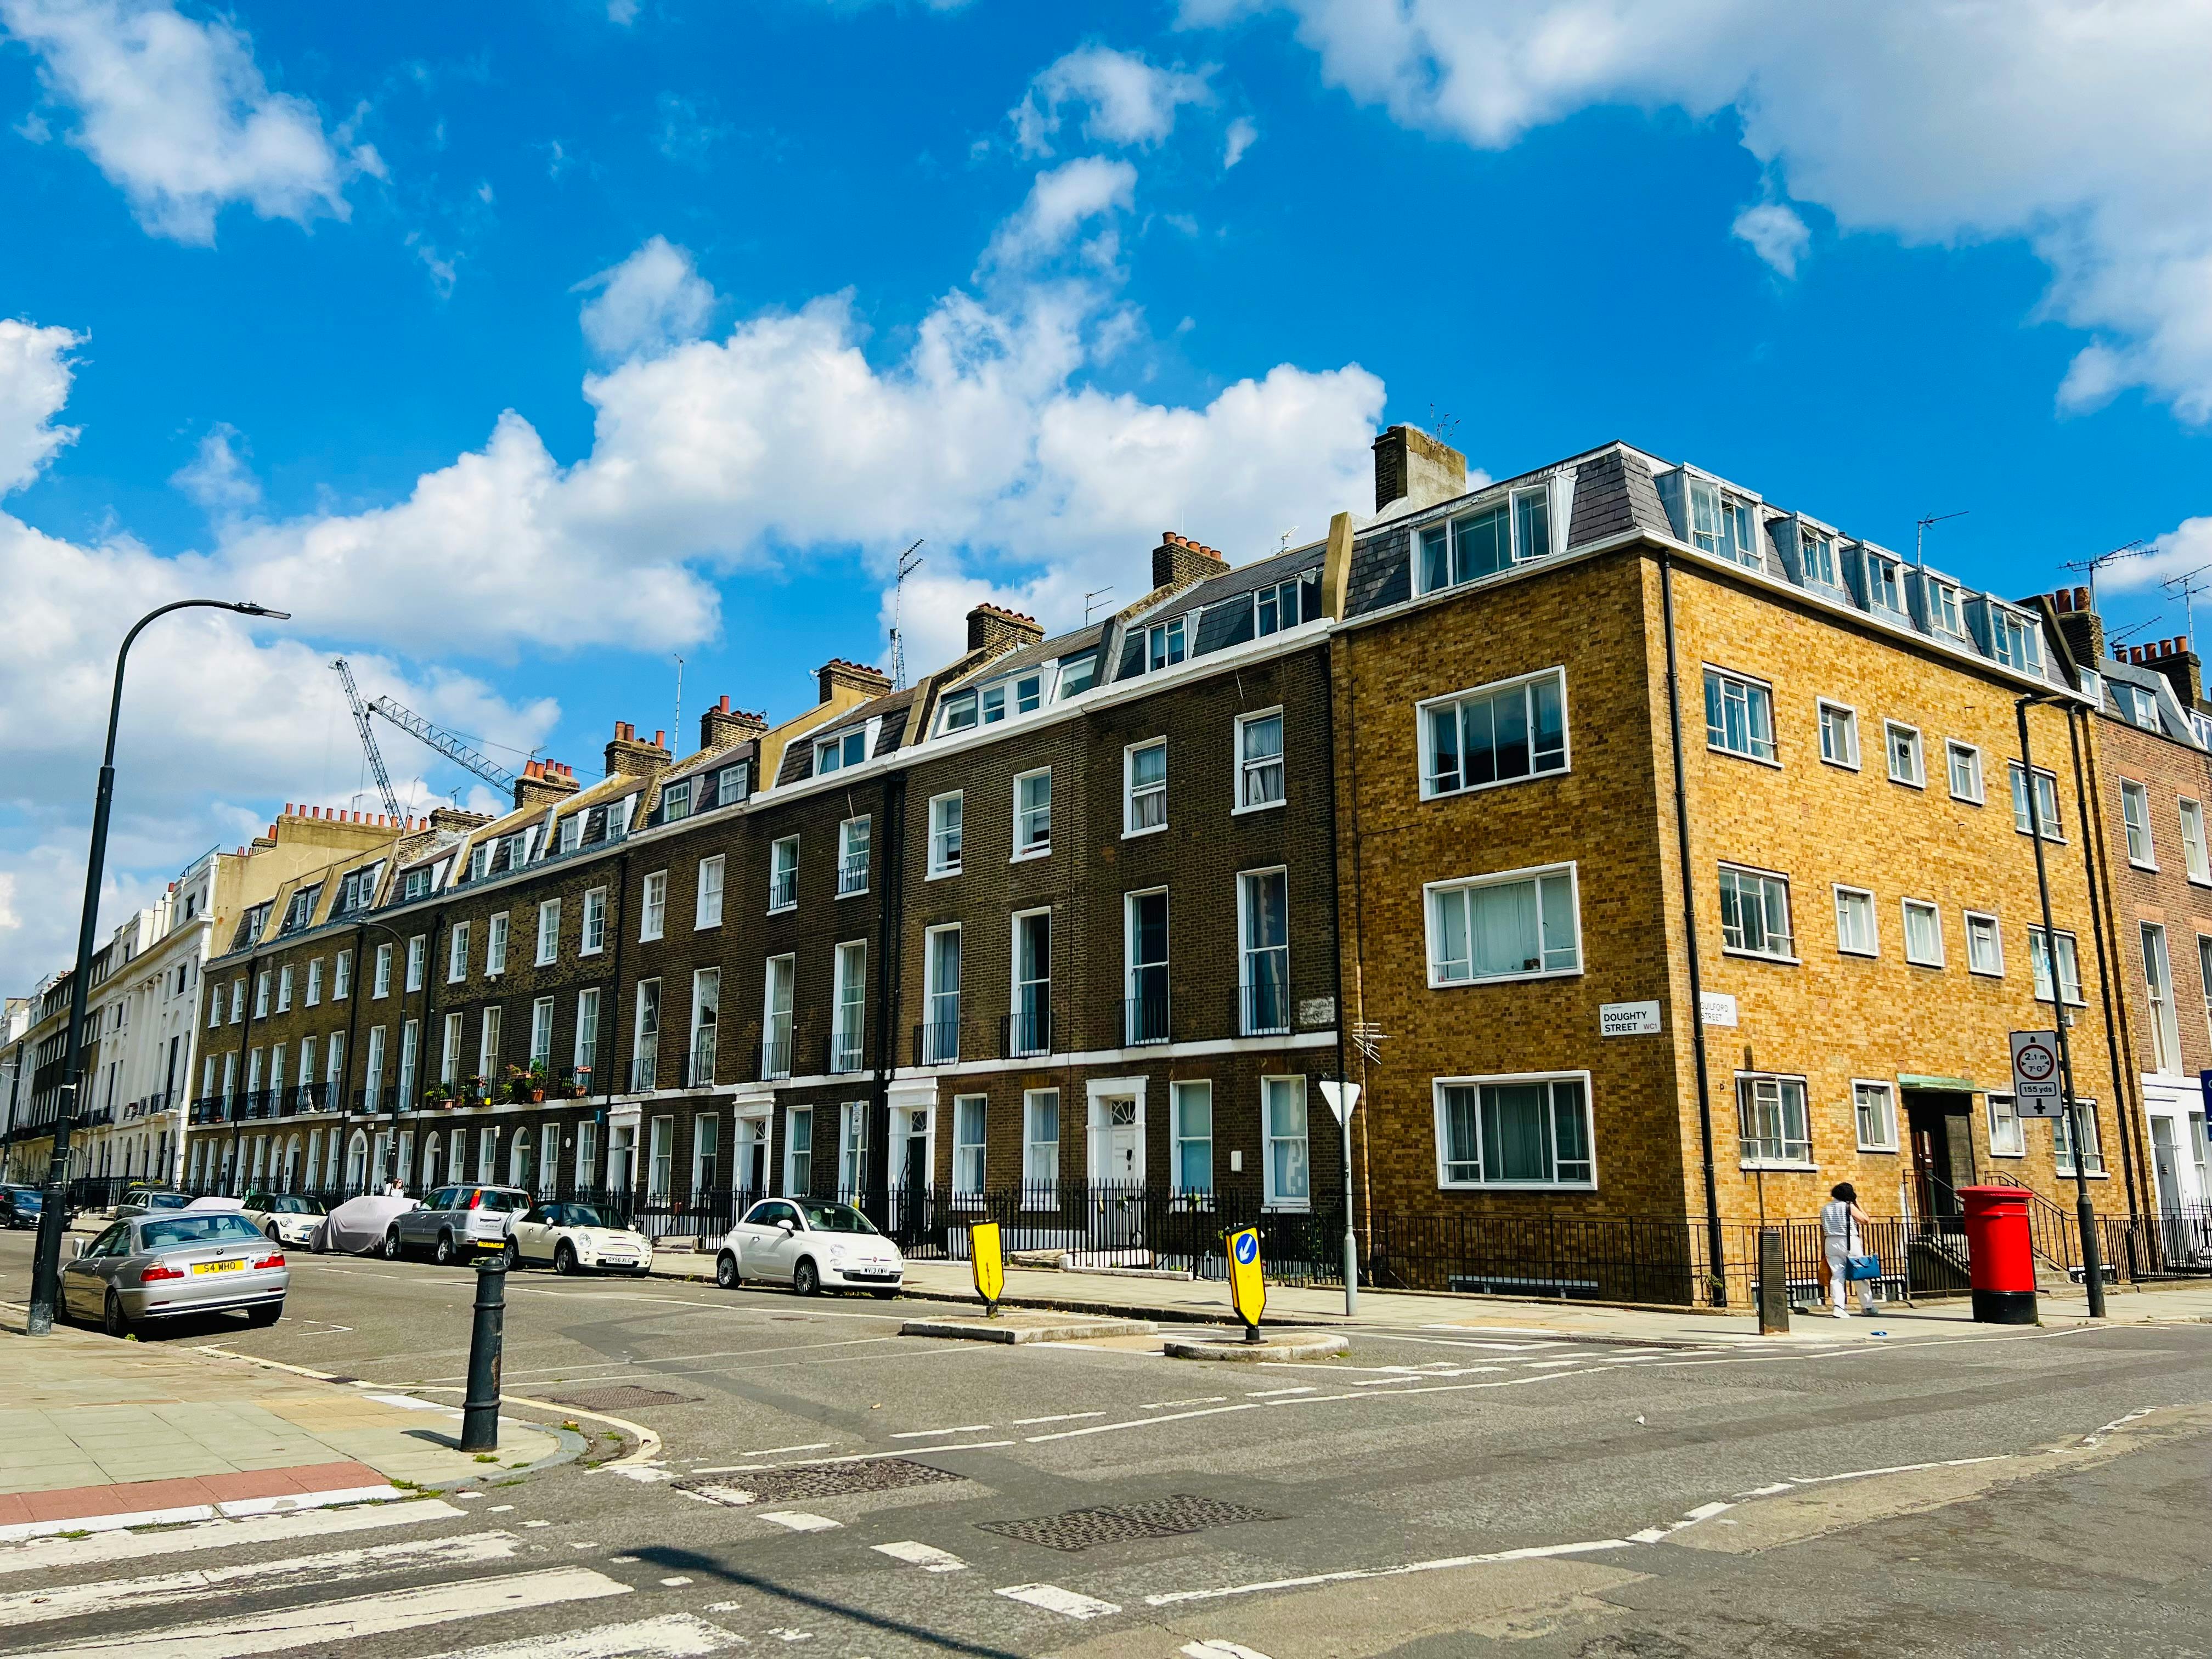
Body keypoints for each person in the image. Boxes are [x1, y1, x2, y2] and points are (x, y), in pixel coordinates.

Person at [1820, 1181, 1877, 1317]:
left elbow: (1822, 1230)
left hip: (1830, 1242)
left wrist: (1823, 1249)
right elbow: (1865, 1220)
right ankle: (1867, 1306)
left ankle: (1838, 1307)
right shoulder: (1848, 1206)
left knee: (1837, 1275)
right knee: (1859, 1273)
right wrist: (1858, 1204)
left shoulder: (1825, 1208)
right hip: (1849, 1240)